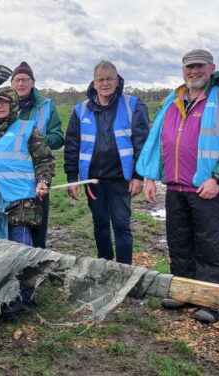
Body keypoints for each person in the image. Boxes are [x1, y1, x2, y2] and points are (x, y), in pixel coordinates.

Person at [137, 49, 219, 323]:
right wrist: (149, 177)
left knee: (209, 246)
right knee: (179, 243)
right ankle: (184, 293)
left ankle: (211, 302)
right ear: (183, 71)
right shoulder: (172, 100)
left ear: (211, 68)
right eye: (189, 67)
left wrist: (217, 178)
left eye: (199, 66)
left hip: (206, 189)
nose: (194, 71)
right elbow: (159, 139)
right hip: (175, 188)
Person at [0, 86, 54, 316]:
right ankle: (3, 293)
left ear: (13, 105)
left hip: (21, 198)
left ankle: (25, 295)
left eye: (4, 102)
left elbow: (44, 159)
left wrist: (43, 181)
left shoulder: (27, 129)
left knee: (21, 246)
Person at [64, 60, 149, 265]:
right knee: (100, 224)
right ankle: (105, 265)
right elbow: (72, 145)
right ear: (94, 83)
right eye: (100, 79)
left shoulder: (133, 105)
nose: (105, 83)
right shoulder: (81, 110)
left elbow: (141, 144)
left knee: (121, 226)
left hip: (121, 180)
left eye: (110, 78)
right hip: (93, 181)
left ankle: (124, 270)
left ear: (117, 80)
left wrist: (138, 176)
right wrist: (72, 178)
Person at [12, 61, 64, 248]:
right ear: (12, 84)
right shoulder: (6, 106)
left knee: (37, 226)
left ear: (33, 82)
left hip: (38, 174)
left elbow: (58, 138)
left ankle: (39, 264)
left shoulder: (47, 106)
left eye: (25, 79)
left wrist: (35, 141)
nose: (21, 84)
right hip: (12, 176)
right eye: (17, 80)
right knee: (15, 226)